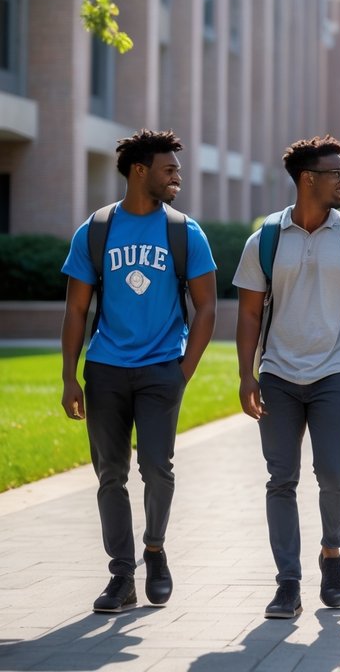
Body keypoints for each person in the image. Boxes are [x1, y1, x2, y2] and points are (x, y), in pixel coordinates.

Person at [60, 129, 218, 613]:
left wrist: (182, 372)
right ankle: (121, 576)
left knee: (157, 468)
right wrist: (70, 375)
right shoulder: (97, 229)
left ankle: (154, 548)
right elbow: (76, 310)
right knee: (110, 474)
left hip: (160, 370)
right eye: (169, 169)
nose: (178, 177)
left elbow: (207, 307)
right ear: (139, 171)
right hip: (106, 368)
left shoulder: (183, 231)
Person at [233, 135, 340, 619]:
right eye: (337, 173)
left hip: (332, 374)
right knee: (281, 479)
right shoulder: (267, 238)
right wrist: (246, 375)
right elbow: (249, 315)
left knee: (333, 475)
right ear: (308, 179)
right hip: (278, 373)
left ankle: (332, 554)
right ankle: (287, 582)